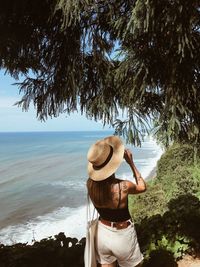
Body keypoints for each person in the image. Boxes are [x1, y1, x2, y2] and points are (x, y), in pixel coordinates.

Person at [86, 135, 147, 267]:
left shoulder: (90, 185)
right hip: (123, 236)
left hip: (102, 235)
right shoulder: (123, 186)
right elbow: (142, 187)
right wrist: (131, 163)